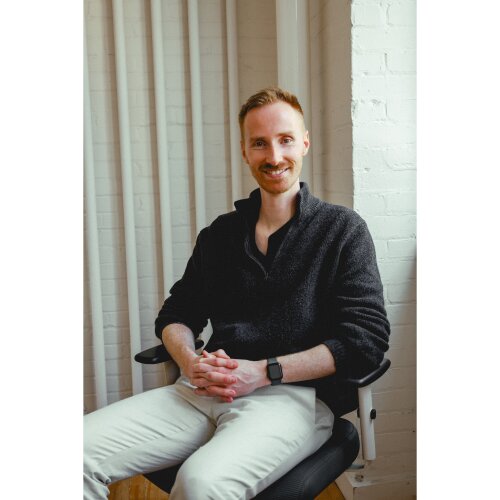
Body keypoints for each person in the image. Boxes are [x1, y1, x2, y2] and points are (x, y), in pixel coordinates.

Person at [84, 87, 390, 500]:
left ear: (304, 143)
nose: (274, 156)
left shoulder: (342, 230)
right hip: (203, 391)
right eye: (259, 143)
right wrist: (190, 361)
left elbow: (365, 341)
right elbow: (177, 313)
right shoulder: (220, 235)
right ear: (245, 152)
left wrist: (263, 371)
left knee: (200, 484)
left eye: (285, 140)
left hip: (291, 398)